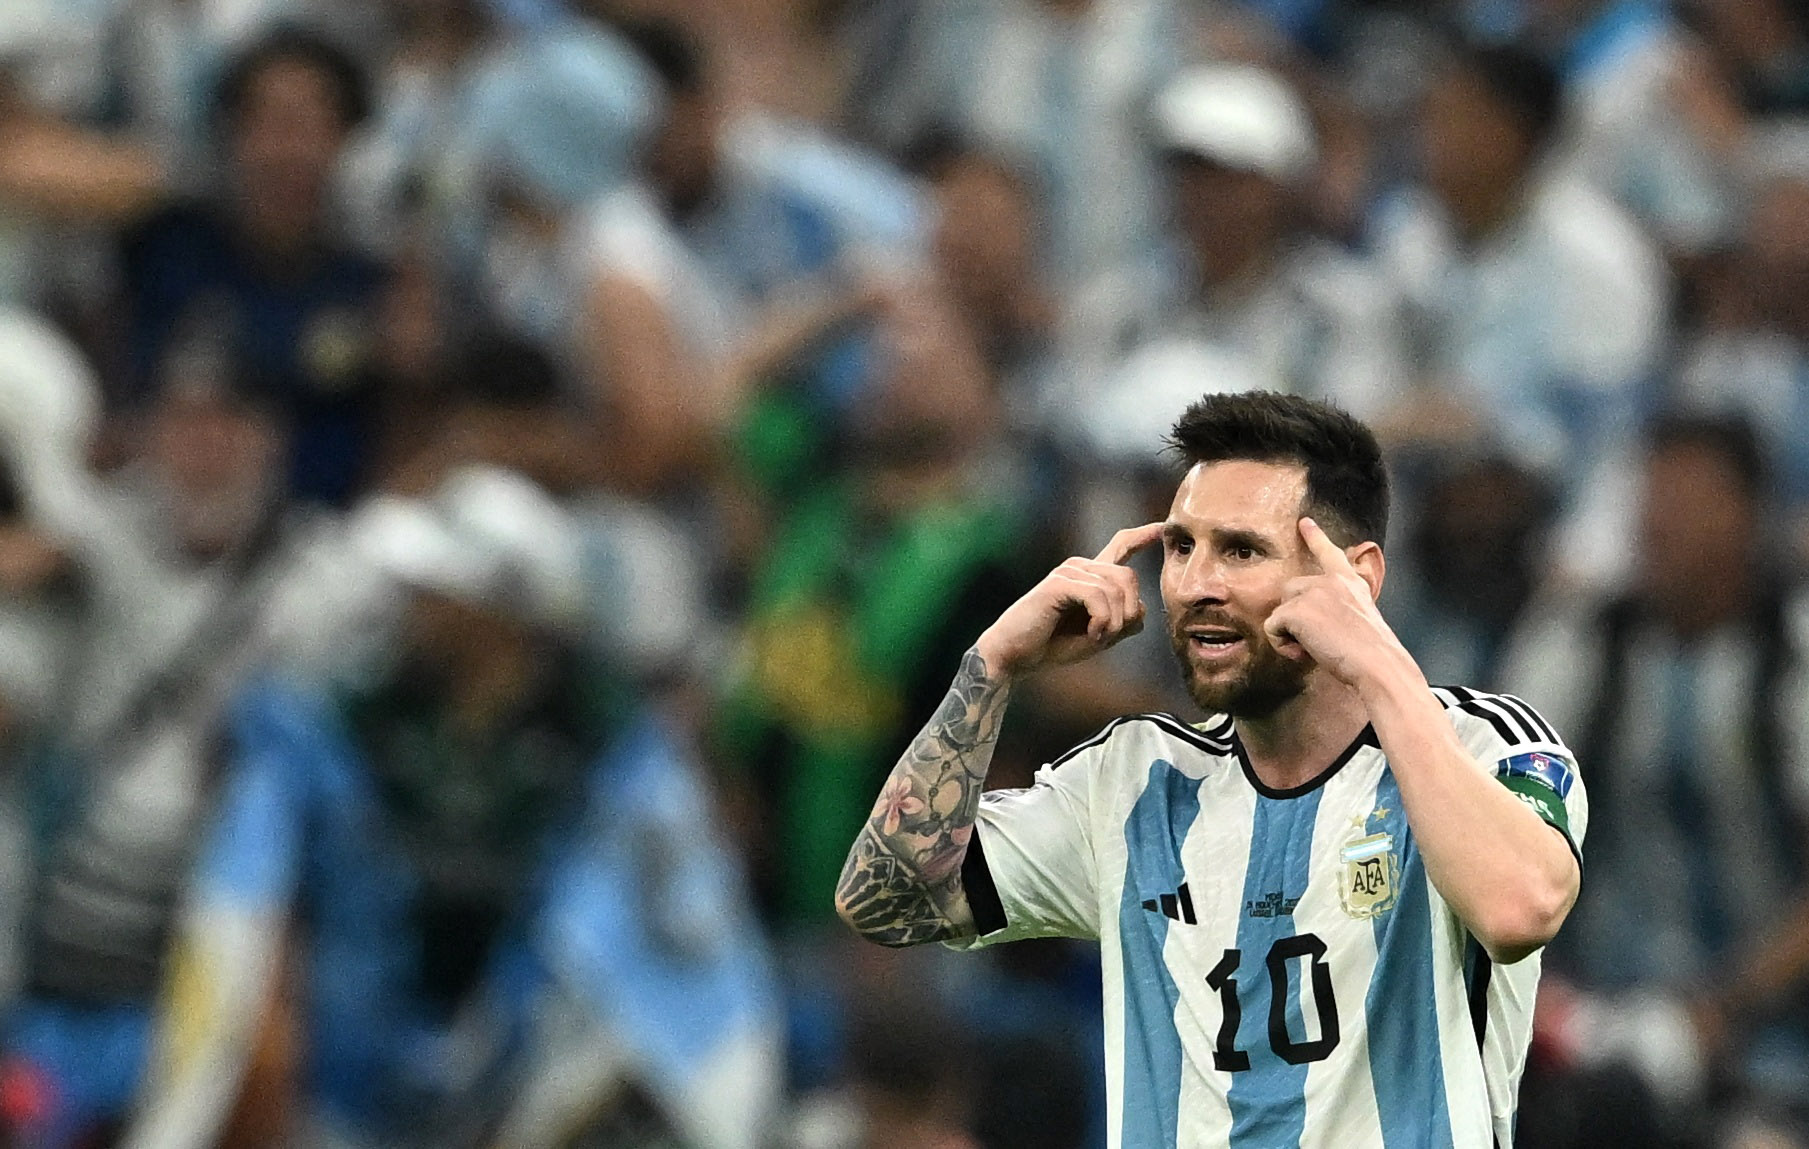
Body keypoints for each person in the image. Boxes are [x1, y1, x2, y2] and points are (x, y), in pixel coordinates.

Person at [836, 391, 1587, 1145]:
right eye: (1180, 547)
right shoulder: (1131, 783)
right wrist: (990, 667)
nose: (1196, 584)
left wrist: (1377, 662)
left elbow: (1518, 907)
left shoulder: (1488, 744)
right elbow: (886, 898)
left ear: (1353, 575)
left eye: (1239, 550)